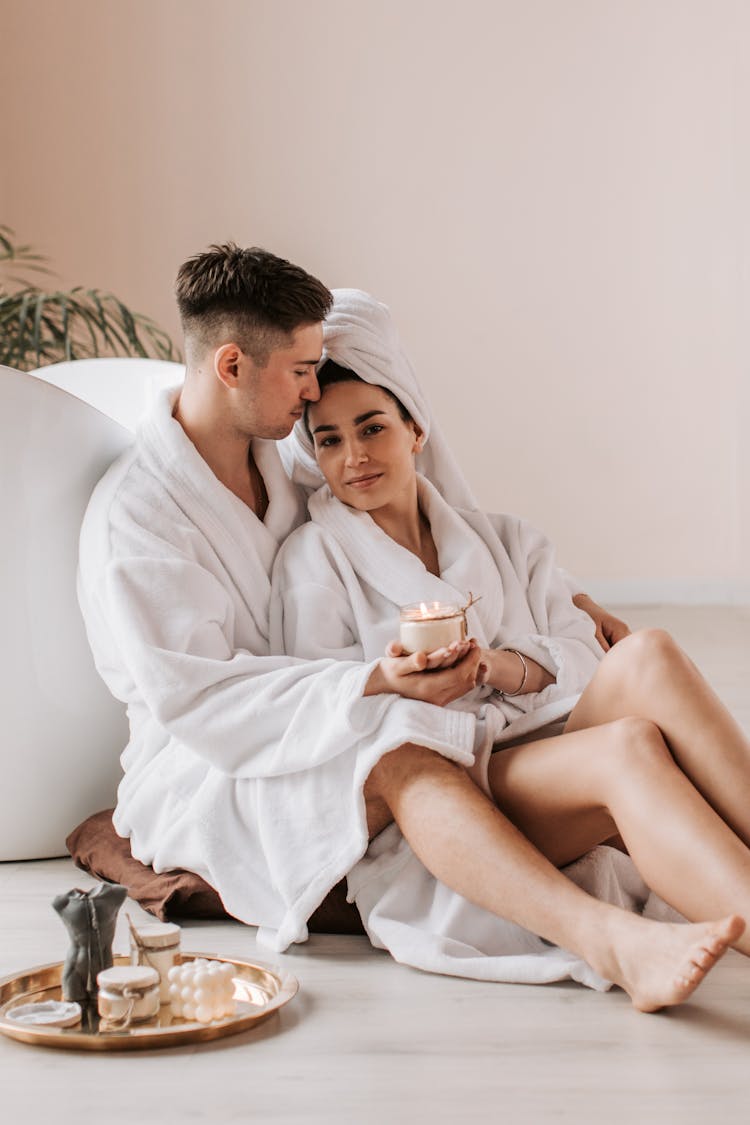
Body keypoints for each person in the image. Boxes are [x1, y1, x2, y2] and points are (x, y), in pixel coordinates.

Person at [77, 246, 739, 1016]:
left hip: (364, 711)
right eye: (300, 371)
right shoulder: (140, 519)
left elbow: (374, 459)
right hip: (212, 759)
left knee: (644, 655)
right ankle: (606, 938)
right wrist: (378, 680)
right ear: (232, 366)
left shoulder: (277, 460)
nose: (311, 390)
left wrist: (563, 605)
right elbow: (199, 699)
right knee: (396, 739)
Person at [272, 288, 750, 1008]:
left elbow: (584, 655)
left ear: (416, 430)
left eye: (372, 428)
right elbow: (326, 706)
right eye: (329, 439)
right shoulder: (315, 559)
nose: (353, 458)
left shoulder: (504, 538)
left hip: (537, 747)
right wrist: (399, 681)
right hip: (454, 792)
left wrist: (497, 665)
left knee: (647, 650)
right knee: (626, 746)